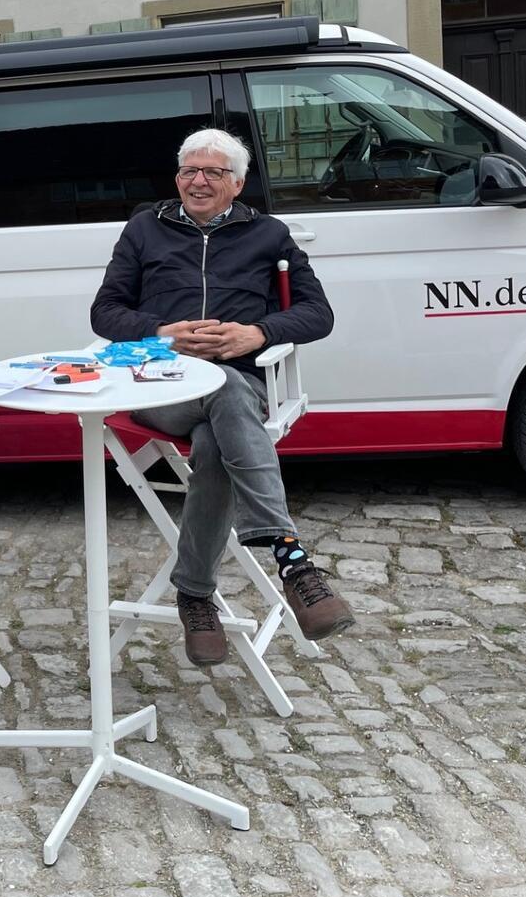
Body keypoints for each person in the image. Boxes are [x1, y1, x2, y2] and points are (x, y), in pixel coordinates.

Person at [90, 127, 355, 668]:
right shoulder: (144, 230)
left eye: (213, 172)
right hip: (161, 389)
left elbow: (317, 314)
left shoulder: (269, 234)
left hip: (237, 391)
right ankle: (292, 558)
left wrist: (255, 333)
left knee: (218, 434)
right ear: (177, 178)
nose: (199, 180)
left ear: (237, 184)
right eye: (189, 170)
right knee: (226, 393)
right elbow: (106, 312)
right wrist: (163, 332)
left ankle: (194, 595)